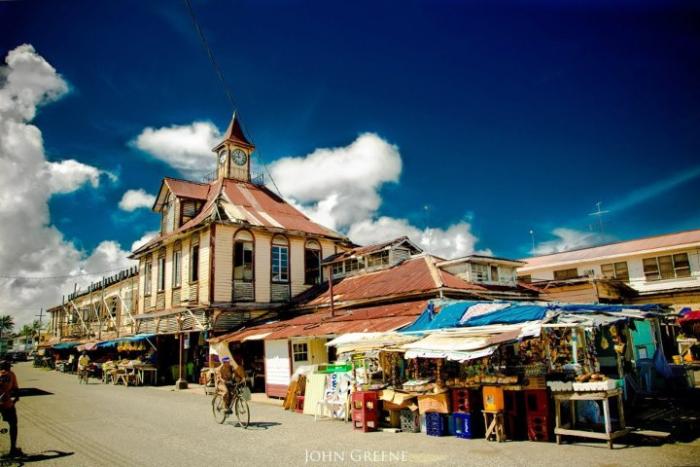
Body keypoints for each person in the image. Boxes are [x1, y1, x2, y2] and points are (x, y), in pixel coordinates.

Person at [0, 360, 21, 458]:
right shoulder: (11, 374)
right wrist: (15, 399)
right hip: (7, 404)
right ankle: (13, 449)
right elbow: (16, 389)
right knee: (13, 424)